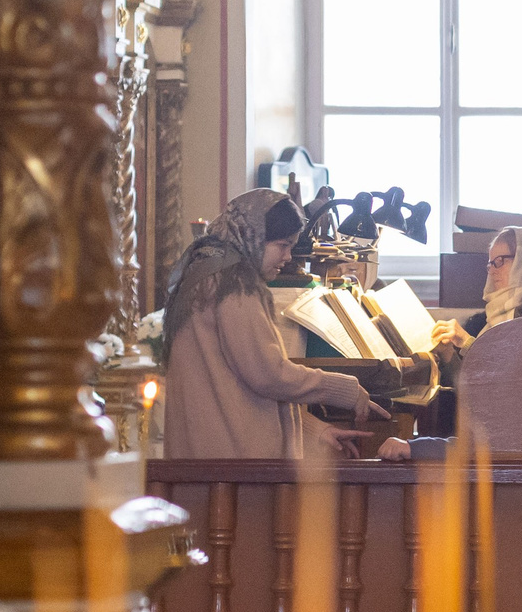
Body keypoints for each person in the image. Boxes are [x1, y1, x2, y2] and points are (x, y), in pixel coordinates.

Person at [157, 189, 382, 460]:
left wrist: (316, 430)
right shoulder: (235, 283)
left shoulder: (204, 272)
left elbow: (235, 389)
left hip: (207, 458)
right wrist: (345, 390)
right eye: (282, 245)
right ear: (253, 236)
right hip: (233, 466)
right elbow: (269, 375)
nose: (288, 257)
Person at [434, 226, 522, 370]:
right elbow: (475, 380)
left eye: (499, 261)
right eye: (490, 264)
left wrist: (468, 343)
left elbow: (512, 374)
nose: (492, 271)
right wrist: (448, 354)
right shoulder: (493, 313)